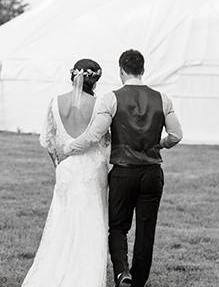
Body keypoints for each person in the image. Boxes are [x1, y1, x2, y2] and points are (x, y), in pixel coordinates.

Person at [62, 49, 182, 287]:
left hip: (123, 172)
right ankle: (138, 281)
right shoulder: (163, 98)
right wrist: (162, 144)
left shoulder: (111, 98)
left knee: (118, 226)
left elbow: (94, 134)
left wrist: (69, 148)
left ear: (121, 71)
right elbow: (176, 134)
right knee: (146, 230)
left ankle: (122, 273)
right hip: (152, 172)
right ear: (143, 70)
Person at [23, 59, 109, 286]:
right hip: (92, 170)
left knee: (62, 222)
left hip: (67, 169)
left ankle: (54, 273)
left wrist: (59, 165)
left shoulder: (54, 102)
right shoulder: (99, 105)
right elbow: (105, 142)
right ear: (96, 79)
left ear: (73, 76)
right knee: (92, 223)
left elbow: (48, 141)